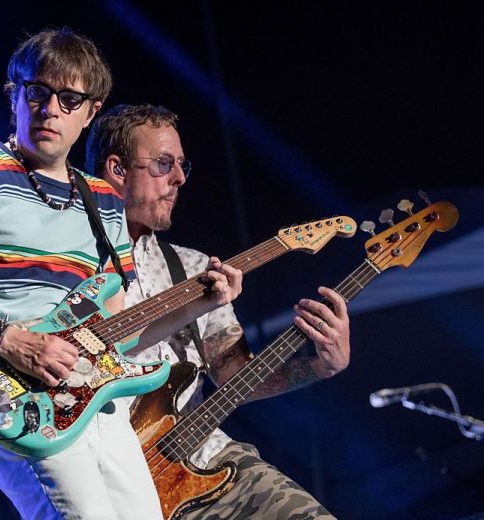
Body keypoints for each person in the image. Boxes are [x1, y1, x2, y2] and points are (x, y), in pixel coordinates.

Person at [0, 29, 242, 520]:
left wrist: (201, 302)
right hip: (9, 394)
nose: (50, 109)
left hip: (95, 401)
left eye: (70, 99)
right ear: (15, 95)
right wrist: (12, 341)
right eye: (38, 92)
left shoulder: (105, 202)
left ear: (90, 112)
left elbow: (119, 336)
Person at [86, 104, 351, 520]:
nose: (179, 178)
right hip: (110, 476)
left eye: (182, 165)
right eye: (163, 163)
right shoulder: (66, 262)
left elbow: (234, 375)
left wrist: (321, 366)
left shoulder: (192, 267)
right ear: (117, 169)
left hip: (208, 459)